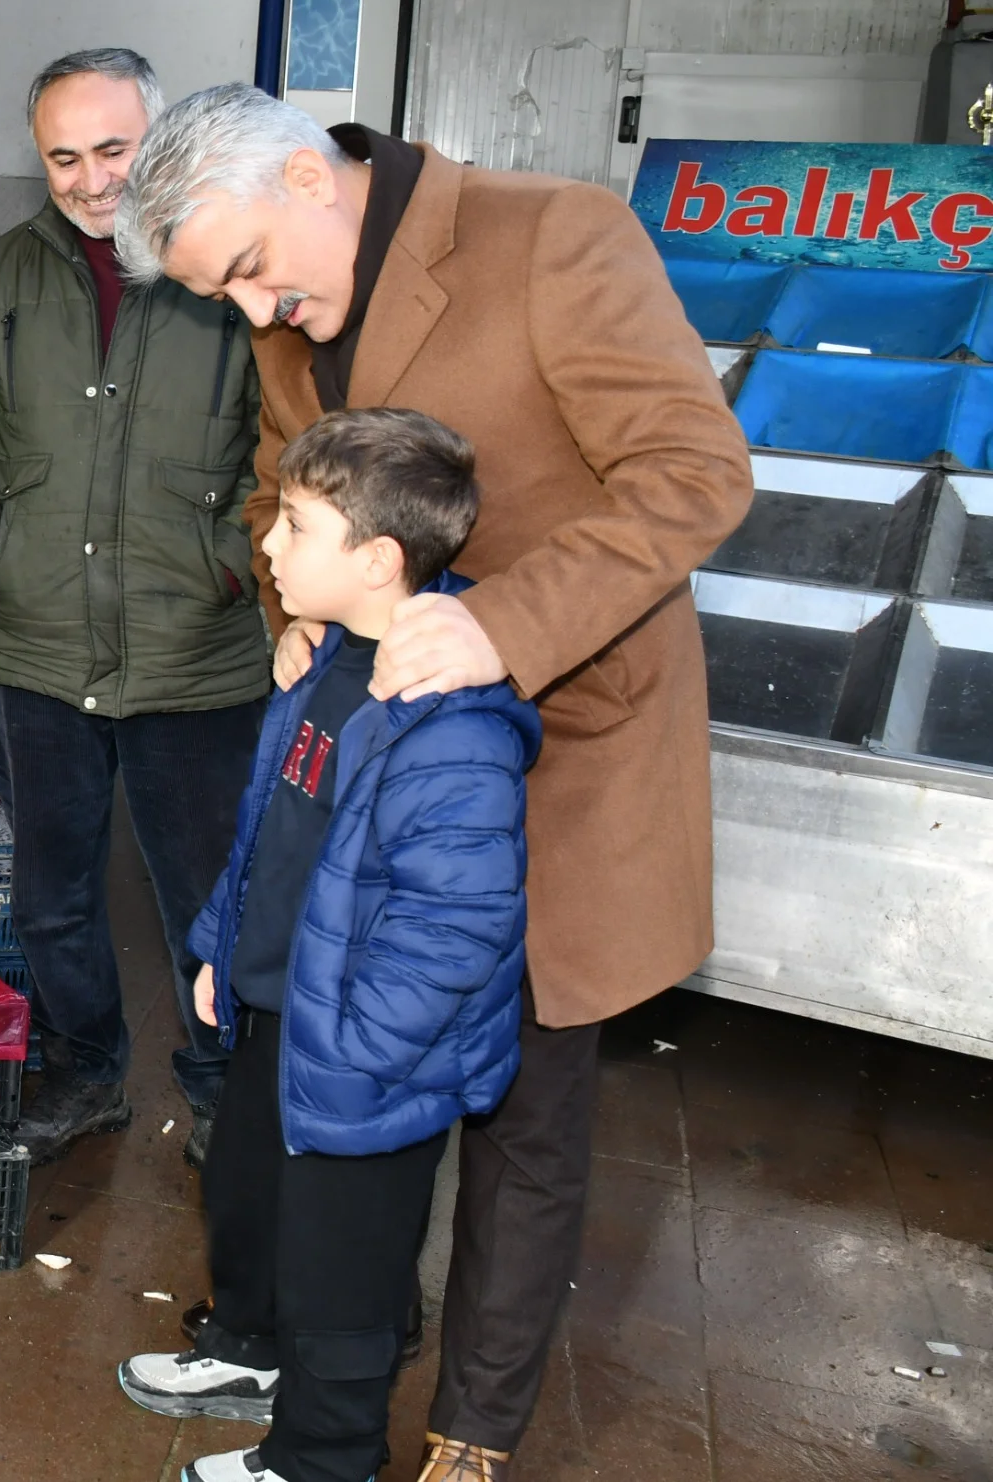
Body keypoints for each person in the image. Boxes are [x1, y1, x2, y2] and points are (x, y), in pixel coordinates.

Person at [121, 84, 754, 1482]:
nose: (252, 313)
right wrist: (293, 608)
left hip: (568, 740)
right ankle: (314, 1350)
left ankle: (473, 1426)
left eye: (246, 271)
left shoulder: (553, 238)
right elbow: (277, 482)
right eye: (219, 294)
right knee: (345, 1068)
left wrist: (506, 624)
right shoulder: (297, 308)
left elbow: (697, 472)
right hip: (378, 752)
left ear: (307, 172)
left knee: (526, 1103)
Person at [119, 409, 538, 1482]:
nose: (266, 544)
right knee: (253, 1203)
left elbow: (456, 925)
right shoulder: (322, 660)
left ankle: (323, 1455)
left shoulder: (449, 720)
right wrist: (219, 945)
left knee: (342, 1274)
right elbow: (264, 826)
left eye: (295, 526)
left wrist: (359, 1042)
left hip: (365, 1056)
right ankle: (251, 1351)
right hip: (279, 1009)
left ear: (377, 559)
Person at [0, 49, 270, 1167]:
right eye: (63, 156)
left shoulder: (220, 270)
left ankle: (219, 1090)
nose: (90, 177)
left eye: (111, 148)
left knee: (207, 899)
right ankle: (81, 1068)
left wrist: (224, 562)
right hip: (33, 641)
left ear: (156, 137)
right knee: (49, 892)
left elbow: (293, 443)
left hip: (194, 649)